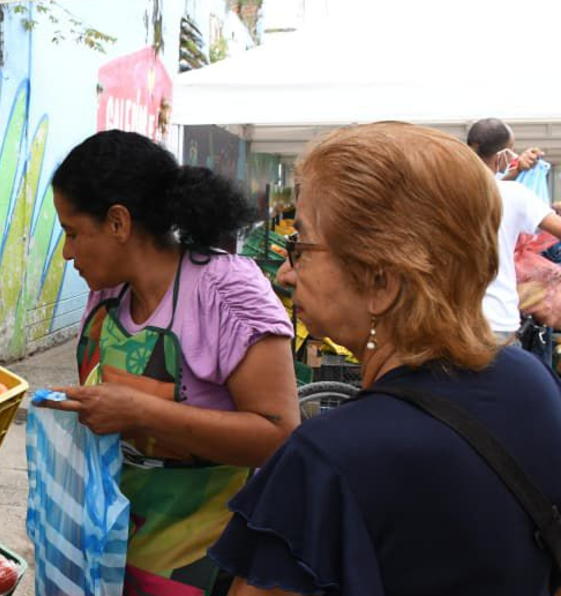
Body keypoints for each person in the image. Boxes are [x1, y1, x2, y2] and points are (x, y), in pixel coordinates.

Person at [209, 122, 561, 595]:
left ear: (381, 282)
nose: (287, 272)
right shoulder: (530, 380)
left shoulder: (323, 460)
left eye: (302, 245)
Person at [40, 130, 299, 595]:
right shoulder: (107, 296)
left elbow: (279, 437)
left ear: (118, 222)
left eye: (73, 232)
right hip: (115, 554)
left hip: (210, 563)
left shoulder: (227, 291)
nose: (67, 252)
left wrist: (141, 411)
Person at [465, 118, 561, 343]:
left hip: (452, 322)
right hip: (498, 320)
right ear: (503, 154)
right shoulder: (515, 194)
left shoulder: (444, 193)